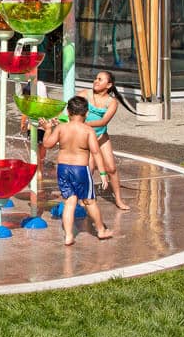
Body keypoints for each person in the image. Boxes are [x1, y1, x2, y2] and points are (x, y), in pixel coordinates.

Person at [39, 97, 114, 245]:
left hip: (63, 169)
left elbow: (47, 144)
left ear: (68, 112)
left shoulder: (61, 128)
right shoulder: (88, 130)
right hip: (80, 170)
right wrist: (103, 173)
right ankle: (101, 230)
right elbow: (96, 152)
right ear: (86, 113)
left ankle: (68, 236)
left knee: (69, 202)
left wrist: (47, 129)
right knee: (89, 201)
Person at [78, 71, 135, 210]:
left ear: (109, 85)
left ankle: (119, 200)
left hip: (101, 137)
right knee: (89, 168)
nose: (96, 81)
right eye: (96, 78)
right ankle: (82, 197)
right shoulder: (84, 94)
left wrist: (84, 123)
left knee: (111, 168)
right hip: (86, 138)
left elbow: (103, 121)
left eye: (100, 79)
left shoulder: (112, 102)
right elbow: (71, 110)